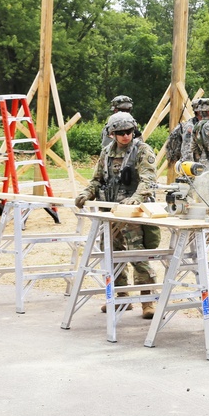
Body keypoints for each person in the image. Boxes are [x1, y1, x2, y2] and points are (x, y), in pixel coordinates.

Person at [75, 112, 160, 319]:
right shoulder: (107, 152)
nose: (125, 136)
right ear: (112, 133)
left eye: (129, 132)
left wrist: (136, 199)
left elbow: (148, 180)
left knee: (138, 256)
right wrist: (87, 192)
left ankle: (147, 301)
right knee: (111, 254)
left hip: (133, 215)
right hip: (110, 213)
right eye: (120, 133)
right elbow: (97, 180)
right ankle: (121, 296)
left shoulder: (142, 150)